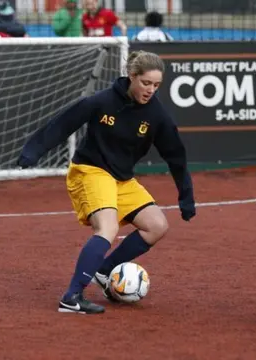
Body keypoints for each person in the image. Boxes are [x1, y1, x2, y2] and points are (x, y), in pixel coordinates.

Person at [17, 50, 196, 314]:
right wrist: (33, 150)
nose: (151, 90)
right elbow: (64, 123)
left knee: (156, 226)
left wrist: (186, 195)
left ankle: (103, 271)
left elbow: (176, 156)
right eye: (146, 83)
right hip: (90, 171)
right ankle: (72, 296)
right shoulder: (101, 101)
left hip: (122, 179)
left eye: (156, 85)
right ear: (131, 76)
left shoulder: (157, 114)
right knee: (108, 228)